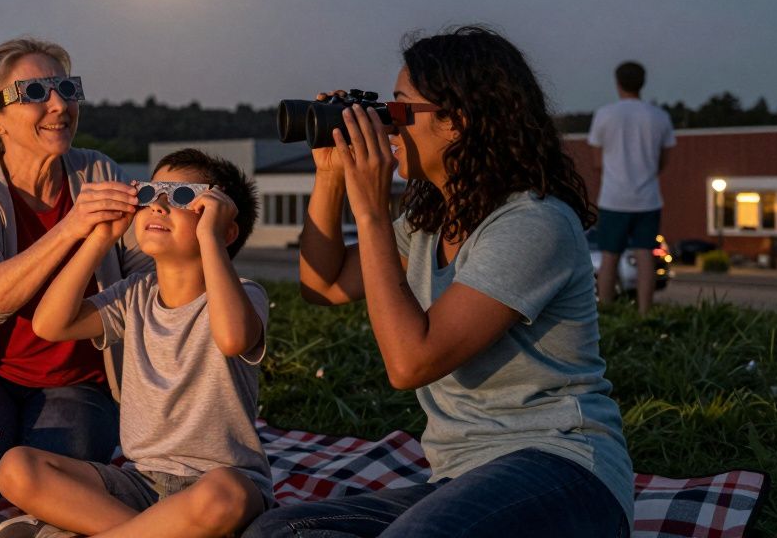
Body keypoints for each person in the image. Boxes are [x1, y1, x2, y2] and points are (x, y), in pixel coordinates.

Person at [245, 27, 633, 538]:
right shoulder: (429, 223)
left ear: (456, 121)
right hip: (460, 475)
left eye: (399, 109)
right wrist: (332, 177)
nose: (386, 126)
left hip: (560, 466)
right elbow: (324, 286)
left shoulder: (534, 223)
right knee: (278, 530)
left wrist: (372, 212)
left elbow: (411, 362)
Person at [0, 37, 152, 505]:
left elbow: (146, 281)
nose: (59, 105)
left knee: (58, 488)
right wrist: (72, 227)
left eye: (67, 88)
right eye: (36, 92)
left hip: (76, 380)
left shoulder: (100, 173)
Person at [0, 149, 270, 538]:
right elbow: (49, 324)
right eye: (150, 192)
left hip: (217, 481)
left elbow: (232, 338)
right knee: (16, 468)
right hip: (141, 482)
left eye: (183, 197)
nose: (158, 205)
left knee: (228, 495)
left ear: (224, 229)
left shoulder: (243, 293)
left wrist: (211, 238)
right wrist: (100, 239)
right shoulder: (134, 294)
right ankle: (162, 532)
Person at [588, 61, 676, 315]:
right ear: (643, 83)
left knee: (609, 256)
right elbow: (663, 161)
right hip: (648, 199)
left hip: (614, 199)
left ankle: (606, 311)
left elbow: (597, 162)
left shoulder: (605, 115)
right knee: (646, 254)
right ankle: (644, 312)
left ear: (618, 83)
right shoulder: (659, 117)